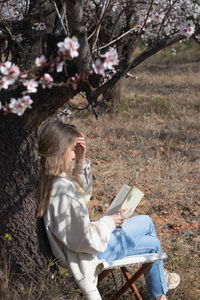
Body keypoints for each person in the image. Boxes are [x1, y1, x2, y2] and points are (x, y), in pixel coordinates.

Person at [37, 120, 180, 300]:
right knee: (146, 222)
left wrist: (81, 160)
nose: (74, 155)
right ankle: (161, 289)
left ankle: (161, 294)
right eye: (73, 150)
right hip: (92, 252)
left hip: (85, 249)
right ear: (60, 151)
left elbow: (82, 196)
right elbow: (85, 240)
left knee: (153, 244)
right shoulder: (62, 191)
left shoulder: (51, 181)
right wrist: (110, 222)